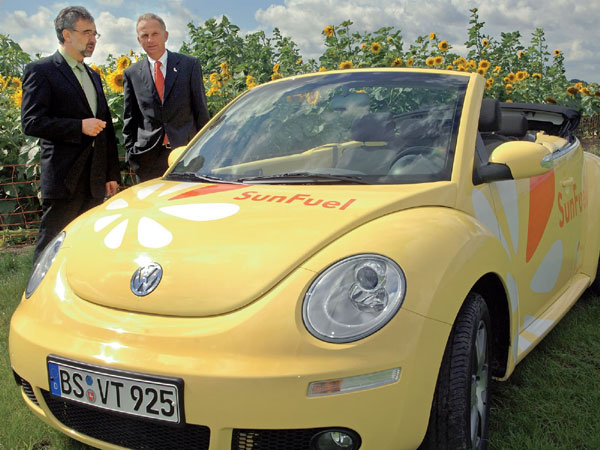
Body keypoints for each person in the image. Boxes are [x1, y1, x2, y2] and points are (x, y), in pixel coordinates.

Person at [21, 6, 121, 263]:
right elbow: (32, 122)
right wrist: (78, 126)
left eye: (95, 34)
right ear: (66, 34)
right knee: (51, 246)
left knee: (85, 246)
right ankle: (38, 296)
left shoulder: (94, 75)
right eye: (87, 32)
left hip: (94, 178)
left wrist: (111, 173)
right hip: (64, 177)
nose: (93, 39)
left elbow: (106, 126)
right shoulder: (42, 70)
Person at [123, 13, 210, 183]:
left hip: (186, 156)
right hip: (147, 160)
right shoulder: (131, 73)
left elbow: (201, 111)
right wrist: (131, 154)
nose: (150, 40)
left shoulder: (188, 65)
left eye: (155, 34)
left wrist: (204, 149)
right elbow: (130, 119)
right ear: (139, 40)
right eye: (144, 35)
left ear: (166, 35)